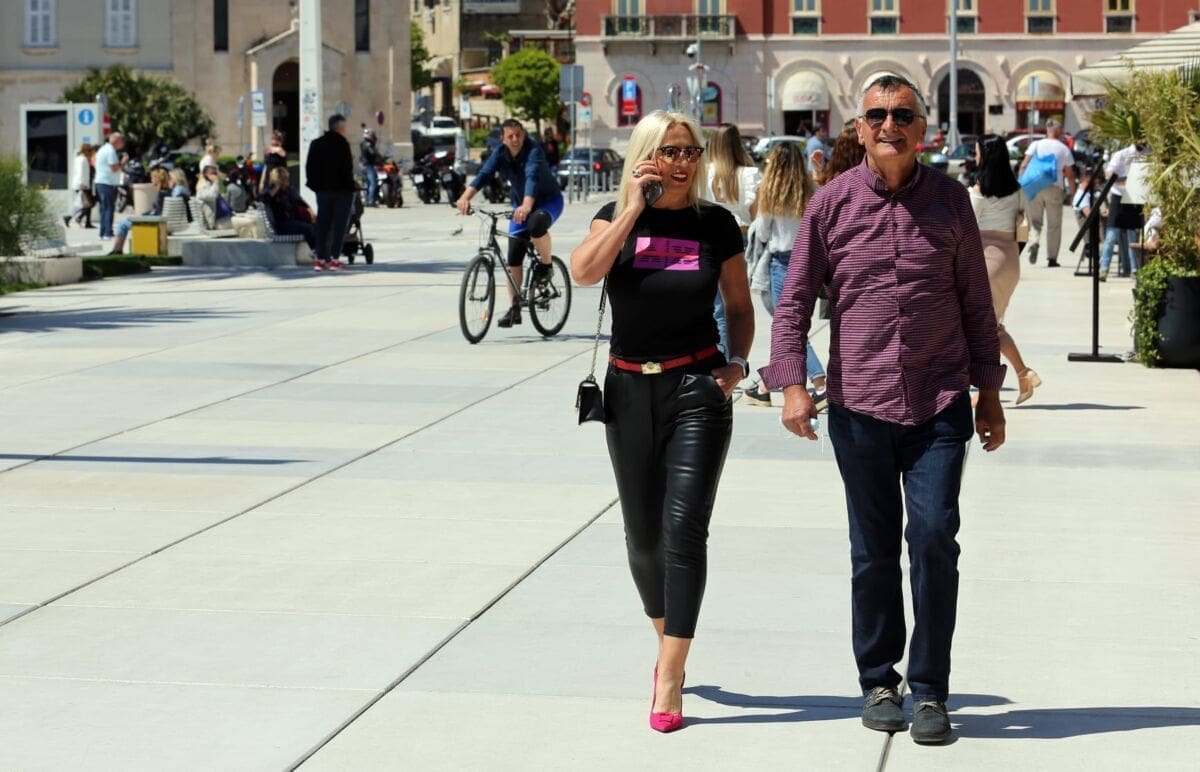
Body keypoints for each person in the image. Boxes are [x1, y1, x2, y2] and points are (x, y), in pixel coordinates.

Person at [763, 74, 1006, 745]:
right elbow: (794, 299)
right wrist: (791, 383)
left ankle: (929, 690)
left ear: (922, 129)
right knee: (872, 551)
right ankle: (878, 680)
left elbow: (976, 302)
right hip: (860, 404)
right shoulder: (830, 204)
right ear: (860, 128)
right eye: (877, 115)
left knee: (933, 540)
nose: (889, 125)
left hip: (940, 402)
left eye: (902, 115)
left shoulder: (952, 202)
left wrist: (989, 392)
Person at [569, 109, 752, 734]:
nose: (681, 163)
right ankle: (667, 642)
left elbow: (739, 306)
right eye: (669, 151)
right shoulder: (614, 217)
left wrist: (737, 365)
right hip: (627, 391)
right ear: (646, 156)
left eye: (690, 152)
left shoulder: (715, 224)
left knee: (683, 530)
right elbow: (583, 271)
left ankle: (670, 674)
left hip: (696, 389)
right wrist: (631, 210)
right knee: (642, 538)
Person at [457, 119, 564, 328]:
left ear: (524, 134)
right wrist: (464, 197)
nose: (515, 139)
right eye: (510, 136)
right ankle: (514, 308)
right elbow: (484, 175)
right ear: (503, 138)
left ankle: (546, 265)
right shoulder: (499, 153)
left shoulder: (533, 150)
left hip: (548, 201)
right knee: (514, 256)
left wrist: (526, 205)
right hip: (520, 206)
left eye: (519, 135)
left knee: (536, 225)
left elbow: (532, 177)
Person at [742, 143, 825, 408]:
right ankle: (764, 388)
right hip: (808, 261)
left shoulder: (772, 195)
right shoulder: (812, 191)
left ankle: (820, 383)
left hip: (781, 263)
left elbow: (763, 233)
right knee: (785, 328)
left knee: (789, 328)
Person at [970, 134, 1042, 406]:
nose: (975, 155)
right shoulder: (1018, 190)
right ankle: (1023, 375)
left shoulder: (979, 191)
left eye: (977, 151)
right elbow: (1024, 225)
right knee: (991, 326)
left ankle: (991, 386)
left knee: (982, 328)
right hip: (1010, 261)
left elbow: (966, 226)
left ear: (985, 156)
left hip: (986, 262)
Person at [703, 123, 761, 356]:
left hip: (708, 240)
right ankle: (729, 359)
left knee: (717, 308)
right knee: (737, 306)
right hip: (740, 239)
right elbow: (756, 216)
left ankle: (721, 356)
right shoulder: (749, 174)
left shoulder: (704, 173)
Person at [1017, 118, 1077, 267]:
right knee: (1054, 224)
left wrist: (1021, 185)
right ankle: (1052, 258)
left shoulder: (1036, 145)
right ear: (1058, 131)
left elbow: (1024, 165)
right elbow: (1070, 174)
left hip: (1035, 187)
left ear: (1047, 130)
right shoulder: (1064, 149)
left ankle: (1035, 241)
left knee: (1035, 221)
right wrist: (1073, 193)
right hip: (1055, 188)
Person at [304, 114, 357, 271]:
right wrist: (351, 187)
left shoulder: (316, 144)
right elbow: (347, 169)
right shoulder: (342, 144)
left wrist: (316, 187)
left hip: (323, 191)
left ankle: (320, 260)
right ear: (339, 127)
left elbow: (309, 167)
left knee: (322, 224)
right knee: (339, 226)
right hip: (342, 192)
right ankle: (334, 259)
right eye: (344, 126)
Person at [1098, 142, 1146, 281]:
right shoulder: (1121, 154)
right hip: (1119, 196)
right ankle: (1104, 268)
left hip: (1135, 197)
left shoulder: (1147, 154)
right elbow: (1108, 173)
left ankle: (1134, 270)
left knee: (1133, 236)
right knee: (1111, 235)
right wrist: (1123, 180)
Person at [105, 168, 176, 255]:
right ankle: (117, 249)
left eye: (152, 178)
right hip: (162, 221)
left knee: (123, 224)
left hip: (156, 222)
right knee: (126, 222)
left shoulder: (161, 193)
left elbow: (157, 213)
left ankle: (117, 249)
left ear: (157, 179)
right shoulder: (168, 192)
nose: (151, 180)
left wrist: (143, 216)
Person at [265, 167, 317, 254]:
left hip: (293, 221)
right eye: (283, 179)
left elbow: (301, 202)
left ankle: (323, 252)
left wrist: (311, 211)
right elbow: (264, 199)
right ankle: (316, 251)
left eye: (286, 178)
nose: (286, 181)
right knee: (308, 229)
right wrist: (277, 187)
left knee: (318, 225)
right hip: (282, 225)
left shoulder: (289, 190)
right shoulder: (270, 191)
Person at [94, 132, 125, 239]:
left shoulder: (102, 149)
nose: (123, 143)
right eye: (122, 141)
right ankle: (107, 233)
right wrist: (123, 162)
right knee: (108, 208)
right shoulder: (111, 151)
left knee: (104, 208)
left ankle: (103, 233)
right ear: (117, 141)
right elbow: (114, 168)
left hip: (101, 182)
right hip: (107, 182)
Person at [68, 143, 96, 228]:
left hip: (82, 184)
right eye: (90, 151)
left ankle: (85, 221)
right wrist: (82, 184)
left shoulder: (79, 158)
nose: (91, 153)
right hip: (82, 185)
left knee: (86, 204)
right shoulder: (83, 159)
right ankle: (70, 217)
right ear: (87, 151)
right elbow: (81, 172)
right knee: (87, 204)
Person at [359, 127, 383, 207]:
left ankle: (367, 200)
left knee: (366, 184)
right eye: (373, 135)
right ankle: (371, 201)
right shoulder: (368, 144)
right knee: (373, 184)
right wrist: (378, 156)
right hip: (369, 166)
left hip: (363, 165)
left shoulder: (362, 143)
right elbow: (372, 153)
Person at [260, 130, 288, 195]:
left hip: (278, 181)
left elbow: (283, 153)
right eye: (272, 139)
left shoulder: (280, 150)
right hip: (268, 180)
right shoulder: (268, 152)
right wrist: (261, 182)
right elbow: (265, 167)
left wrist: (271, 149)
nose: (273, 141)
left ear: (279, 141)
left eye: (275, 139)